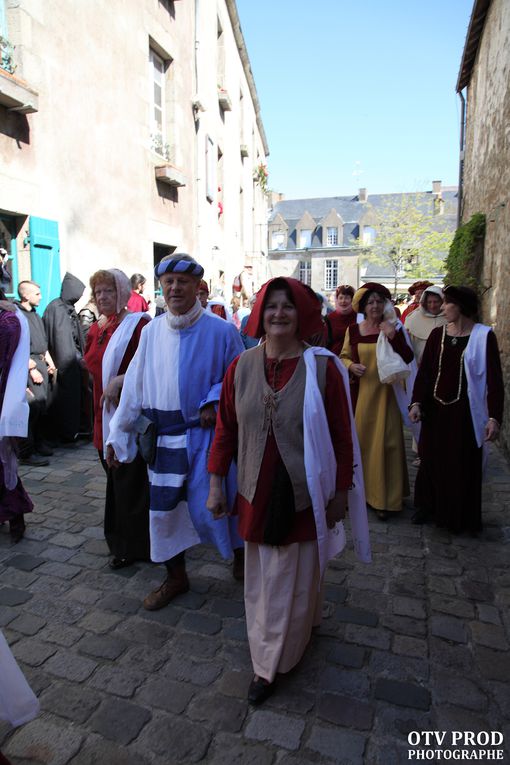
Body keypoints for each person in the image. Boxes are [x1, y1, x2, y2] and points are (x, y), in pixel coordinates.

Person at [207, 277, 370, 704]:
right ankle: (272, 656)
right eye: (272, 306)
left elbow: (341, 436)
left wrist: (339, 492)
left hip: (304, 491)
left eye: (288, 306)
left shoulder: (322, 369)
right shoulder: (240, 367)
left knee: (296, 572)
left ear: (302, 314)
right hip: (255, 490)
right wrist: (214, 484)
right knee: (269, 578)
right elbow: (225, 429)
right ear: (260, 313)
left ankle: (271, 663)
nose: (279, 314)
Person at [106, 253, 245, 609]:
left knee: (219, 503)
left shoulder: (223, 331)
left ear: (197, 286)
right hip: (164, 439)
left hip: (206, 437)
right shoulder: (151, 332)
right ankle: (176, 576)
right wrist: (117, 436)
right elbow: (135, 386)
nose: (174, 288)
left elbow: (236, 378)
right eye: (168, 282)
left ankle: (244, 563)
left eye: (182, 282)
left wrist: (214, 400)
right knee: (165, 512)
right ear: (161, 287)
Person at [409, 286, 504, 533]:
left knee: (460, 464)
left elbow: (494, 380)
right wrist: (417, 402)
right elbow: (425, 373)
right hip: (436, 410)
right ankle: (428, 507)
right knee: (431, 460)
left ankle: (458, 516)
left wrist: (494, 417)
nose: (442, 308)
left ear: (460, 306)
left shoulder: (484, 337)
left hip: (466, 413)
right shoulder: (437, 335)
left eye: (447, 303)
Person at [83, 269, 151, 569]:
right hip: (102, 415)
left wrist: (121, 379)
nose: (102, 297)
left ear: (123, 293)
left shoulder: (139, 326)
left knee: (129, 483)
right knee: (114, 480)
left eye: (108, 291)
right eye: (98, 292)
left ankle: (132, 546)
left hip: (128, 416)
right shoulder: (97, 329)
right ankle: (123, 538)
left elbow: (151, 365)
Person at [341, 283, 415, 521]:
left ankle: (386, 498)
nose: (375, 306)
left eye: (379, 301)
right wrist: (351, 366)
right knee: (362, 445)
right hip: (364, 396)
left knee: (388, 444)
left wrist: (392, 336)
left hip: (389, 395)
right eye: (370, 302)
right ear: (363, 307)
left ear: (385, 304)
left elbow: (408, 356)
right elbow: (342, 357)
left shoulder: (394, 327)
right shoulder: (353, 330)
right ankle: (362, 496)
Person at [0, 289, 33, 543]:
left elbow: (9, 362)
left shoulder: (9, 319)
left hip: (3, 397)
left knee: (4, 460)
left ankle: (15, 514)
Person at [15, 281, 57, 467]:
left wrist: (49, 361)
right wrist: (31, 369)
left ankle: (39, 443)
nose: (40, 297)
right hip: (30, 366)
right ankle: (26, 452)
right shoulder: (17, 316)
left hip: (41, 363)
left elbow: (42, 342)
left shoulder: (35, 314)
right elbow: (16, 346)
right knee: (33, 407)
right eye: (37, 294)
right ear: (26, 296)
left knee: (42, 407)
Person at [43, 273, 87, 443]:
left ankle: (73, 430)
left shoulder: (67, 307)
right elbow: (61, 341)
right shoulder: (57, 309)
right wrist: (67, 366)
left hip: (73, 361)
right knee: (65, 400)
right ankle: (66, 433)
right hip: (64, 364)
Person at [405, 285, 446, 363]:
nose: (432, 306)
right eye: (429, 302)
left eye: (436, 302)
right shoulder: (413, 318)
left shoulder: (450, 319)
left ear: (443, 302)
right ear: (424, 302)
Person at [324, 284, 357, 355]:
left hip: (354, 360)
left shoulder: (359, 317)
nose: (343, 301)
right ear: (337, 299)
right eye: (341, 298)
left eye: (347, 298)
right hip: (334, 359)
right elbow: (326, 342)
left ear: (352, 299)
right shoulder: (330, 318)